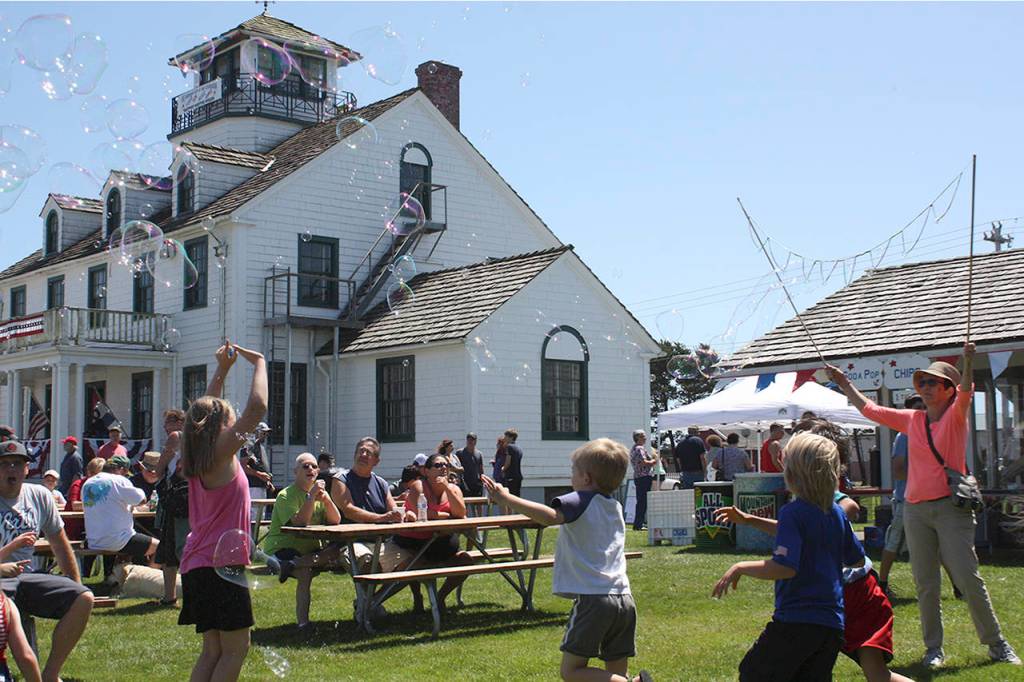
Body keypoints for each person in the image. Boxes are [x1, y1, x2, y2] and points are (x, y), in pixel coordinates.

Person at [826, 345, 1020, 667]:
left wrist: (969, 361)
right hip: (915, 510)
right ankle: (934, 650)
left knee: (967, 578)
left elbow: (968, 389)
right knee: (925, 582)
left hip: (951, 509)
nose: (926, 388)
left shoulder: (957, 415)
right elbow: (870, 410)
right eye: (923, 383)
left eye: (933, 383)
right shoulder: (912, 420)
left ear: (948, 390)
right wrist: (845, 383)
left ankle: (997, 645)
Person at [483, 439, 650, 682]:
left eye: (574, 471)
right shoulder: (614, 506)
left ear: (586, 478)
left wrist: (508, 499)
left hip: (594, 599)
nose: (571, 476)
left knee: (571, 671)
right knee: (614, 672)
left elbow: (550, 517)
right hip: (624, 598)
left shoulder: (580, 499)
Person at [713, 432, 865, 681]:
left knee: (753, 673)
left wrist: (741, 566)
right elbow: (856, 559)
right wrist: (749, 519)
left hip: (796, 622)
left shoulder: (793, 512)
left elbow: (785, 567)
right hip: (831, 626)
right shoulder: (835, 513)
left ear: (793, 474)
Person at [178, 341, 268, 682]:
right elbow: (257, 408)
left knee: (213, 650)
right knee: (235, 648)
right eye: (229, 417)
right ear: (222, 426)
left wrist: (224, 370)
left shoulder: (197, 454)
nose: (234, 421)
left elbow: (204, 413)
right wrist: (258, 361)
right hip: (221, 566)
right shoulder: (221, 450)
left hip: (198, 565)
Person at [0, 439, 94, 682]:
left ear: (26, 469)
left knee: (84, 598)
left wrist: (75, 583)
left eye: (17, 464)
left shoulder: (39, 496)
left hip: (27, 577)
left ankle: (51, 673)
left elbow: (60, 544)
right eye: (5, 464)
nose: (11, 469)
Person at [262, 453, 342, 629]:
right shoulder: (285, 495)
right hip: (281, 549)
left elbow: (336, 520)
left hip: (308, 552)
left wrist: (327, 500)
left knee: (337, 551)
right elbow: (300, 523)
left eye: (314, 466)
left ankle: (292, 564)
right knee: (305, 572)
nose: (311, 469)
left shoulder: (320, 494)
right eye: (305, 466)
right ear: (295, 471)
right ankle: (303, 624)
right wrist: (311, 498)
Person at [392, 454, 474, 610]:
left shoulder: (454, 489)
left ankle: (440, 597)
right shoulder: (418, 486)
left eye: (446, 465)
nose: (443, 468)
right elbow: (421, 513)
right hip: (415, 542)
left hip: (442, 544)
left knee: (466, 561)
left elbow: (461, 513)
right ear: (426, 471)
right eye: (438, 465)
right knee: (413, 563)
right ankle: (417, 596)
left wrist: (446, 489)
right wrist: (445, 515)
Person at [329, 438, 403, 572]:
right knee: (368, 564)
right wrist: (381, 518)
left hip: (381, 543)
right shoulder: (340, 479)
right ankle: (370, 594)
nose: (363, 455)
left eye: (368, 453)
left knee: (412, 563)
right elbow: (349, 511)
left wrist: (404, 514)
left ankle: (380, 594)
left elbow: (393, 511)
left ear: (376, 461)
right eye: (360, 451)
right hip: (350, 543)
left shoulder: (381, 483)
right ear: (355, 455)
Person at [82, 455, 159, 582]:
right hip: (119, 540)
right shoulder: (120, 480)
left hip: (93, 540)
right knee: (161, 548)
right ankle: (146, 581)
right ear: (122, 470)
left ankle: (116, 577)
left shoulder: (88, 483)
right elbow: (142, 500)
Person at [877, 393, 920, 596]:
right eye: (918, 408)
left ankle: (957, 586)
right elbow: (898, 469)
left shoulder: (929, 432)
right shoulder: (904, 436)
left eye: (925, 407)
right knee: (893, 541)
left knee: (936, 543)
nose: (922, 411)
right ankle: (882, 583)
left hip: (926, 498)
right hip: (906, 499)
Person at [629, 430, 658, 531]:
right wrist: (654, 461)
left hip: (638, 477)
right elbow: (643, 462)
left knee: (640, 501)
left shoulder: (633, 448)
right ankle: (638, 524)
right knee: (643, 502)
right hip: (644, 477)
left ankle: (638, 523)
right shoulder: (640, 448)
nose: (645, 438)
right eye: (643, 436)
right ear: (638, 438)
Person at [240, 423, 274, 508]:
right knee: (254, 514)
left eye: (267, 433)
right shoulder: (249, 445)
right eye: (263, 433)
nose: (266, 435)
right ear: (256, 432)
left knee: (261, 515)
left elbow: (259, 466)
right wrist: (259, 474)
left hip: (262, 486)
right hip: (253, 487)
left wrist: (267, 481)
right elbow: (243, 466)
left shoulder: (261, 447)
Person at [502, 428, 524, 496]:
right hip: (518, 477)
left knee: (510, 499)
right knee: (517, 498)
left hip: (511, 477)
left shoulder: (509, 447)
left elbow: (508, 462)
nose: (504, 438)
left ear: (511, 437)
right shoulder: (519, 448)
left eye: (506, 436)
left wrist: (502, 469)